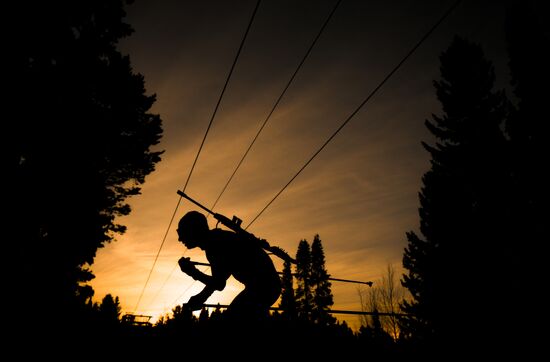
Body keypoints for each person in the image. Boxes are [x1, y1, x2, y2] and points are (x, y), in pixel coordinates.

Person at [177, 211, 281, 321]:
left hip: (263, 287)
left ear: (194, 231)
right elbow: (220, 279)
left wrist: (193, 272)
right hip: (265, 286)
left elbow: (219, 284)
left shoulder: (215, 245)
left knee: (230, 323)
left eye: (182, 232)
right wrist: (200, 297)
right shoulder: (217, 240)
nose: (180, 239)